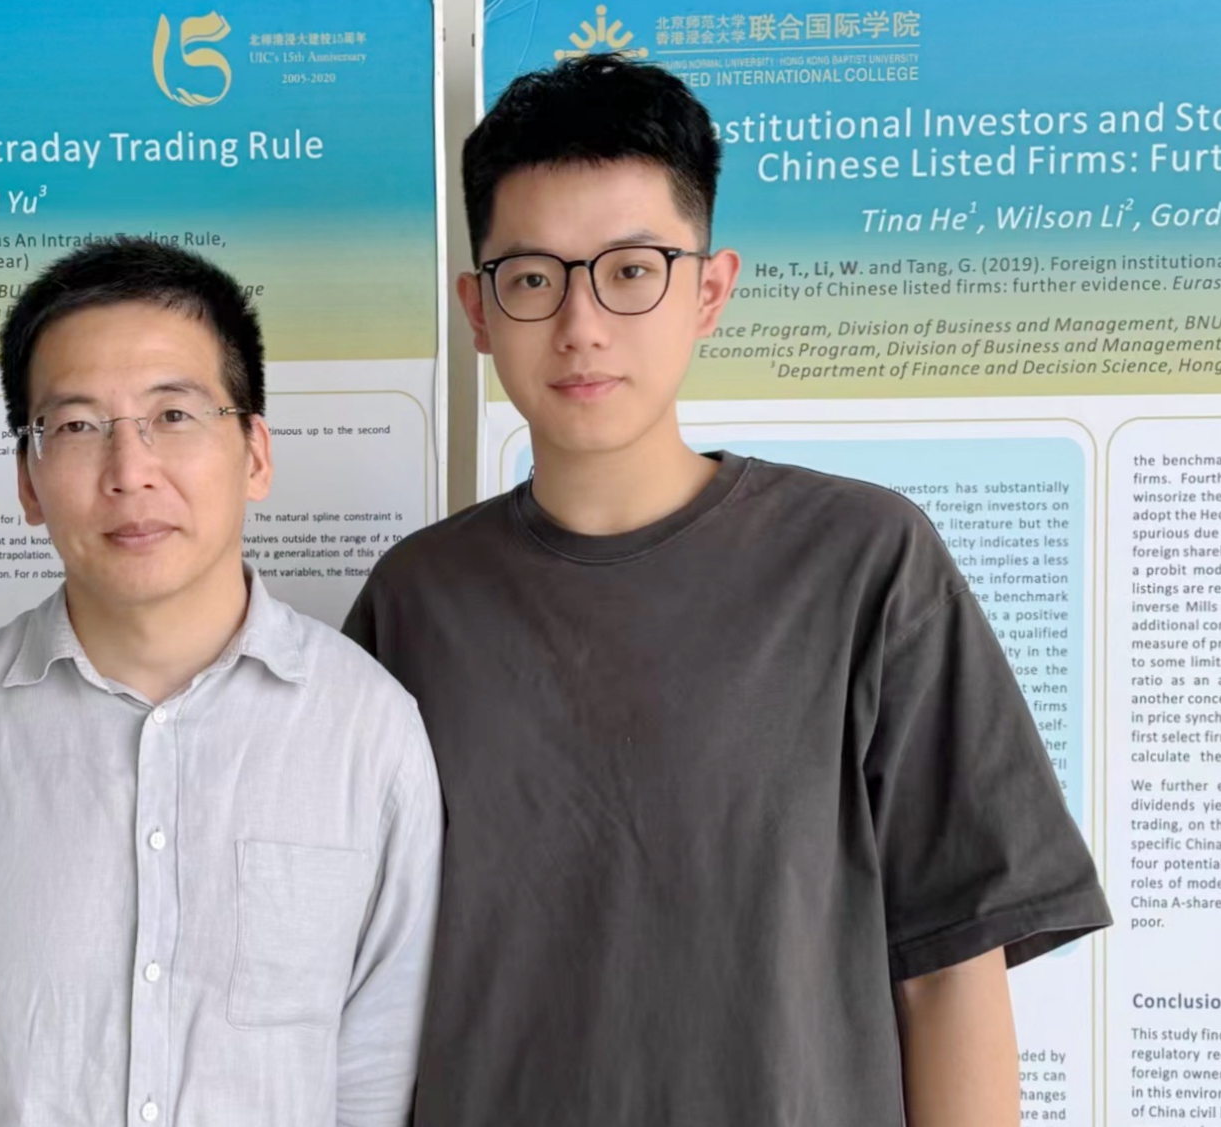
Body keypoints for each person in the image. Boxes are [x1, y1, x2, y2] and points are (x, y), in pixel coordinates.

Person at [345, 55, 1110, 1127]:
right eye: (532, 277)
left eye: (630, 270)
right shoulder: (415, 601)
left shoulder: (862, 561)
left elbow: (949, 969)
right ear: (478, 309)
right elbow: (359, 977)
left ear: (708, 291)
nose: (580, 323)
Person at [0, 236, 442, 1127]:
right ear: (27, 479)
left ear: (255, 453)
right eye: (78, 426)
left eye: (173, 414)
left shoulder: (369, 733)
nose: (129, 471)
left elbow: (373, 1088)